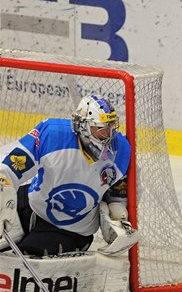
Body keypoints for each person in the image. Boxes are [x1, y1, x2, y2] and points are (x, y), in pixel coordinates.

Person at [0, 94, 138, 258]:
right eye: (101, 128)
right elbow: (17, 159)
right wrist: (4, 182)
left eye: (111, 126)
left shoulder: (120, 150)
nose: (109, 134)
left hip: (71, 230)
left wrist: (118, 218)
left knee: (26, 261)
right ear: (84, 126)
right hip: (32, 203)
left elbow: (119, 194)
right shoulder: (53, 134)